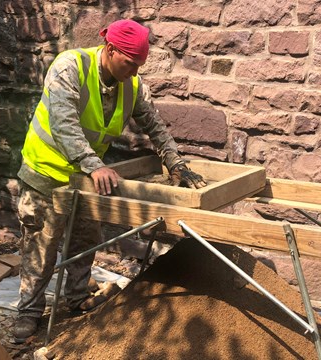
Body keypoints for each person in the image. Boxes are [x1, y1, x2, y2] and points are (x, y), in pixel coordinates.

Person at [11, 19, 207, 342]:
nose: (134, 71)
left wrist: (176, 164)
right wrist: (94, 164)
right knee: (41, 248)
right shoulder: (69, 67)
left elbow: (155, 126)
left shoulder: (131, 85)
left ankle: (75, 299)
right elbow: (63, 124)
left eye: (139, 65)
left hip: (84, 180)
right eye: (130, 63)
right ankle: (29, 312)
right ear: (110, 49)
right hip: (45, 173)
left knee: (85, 241)